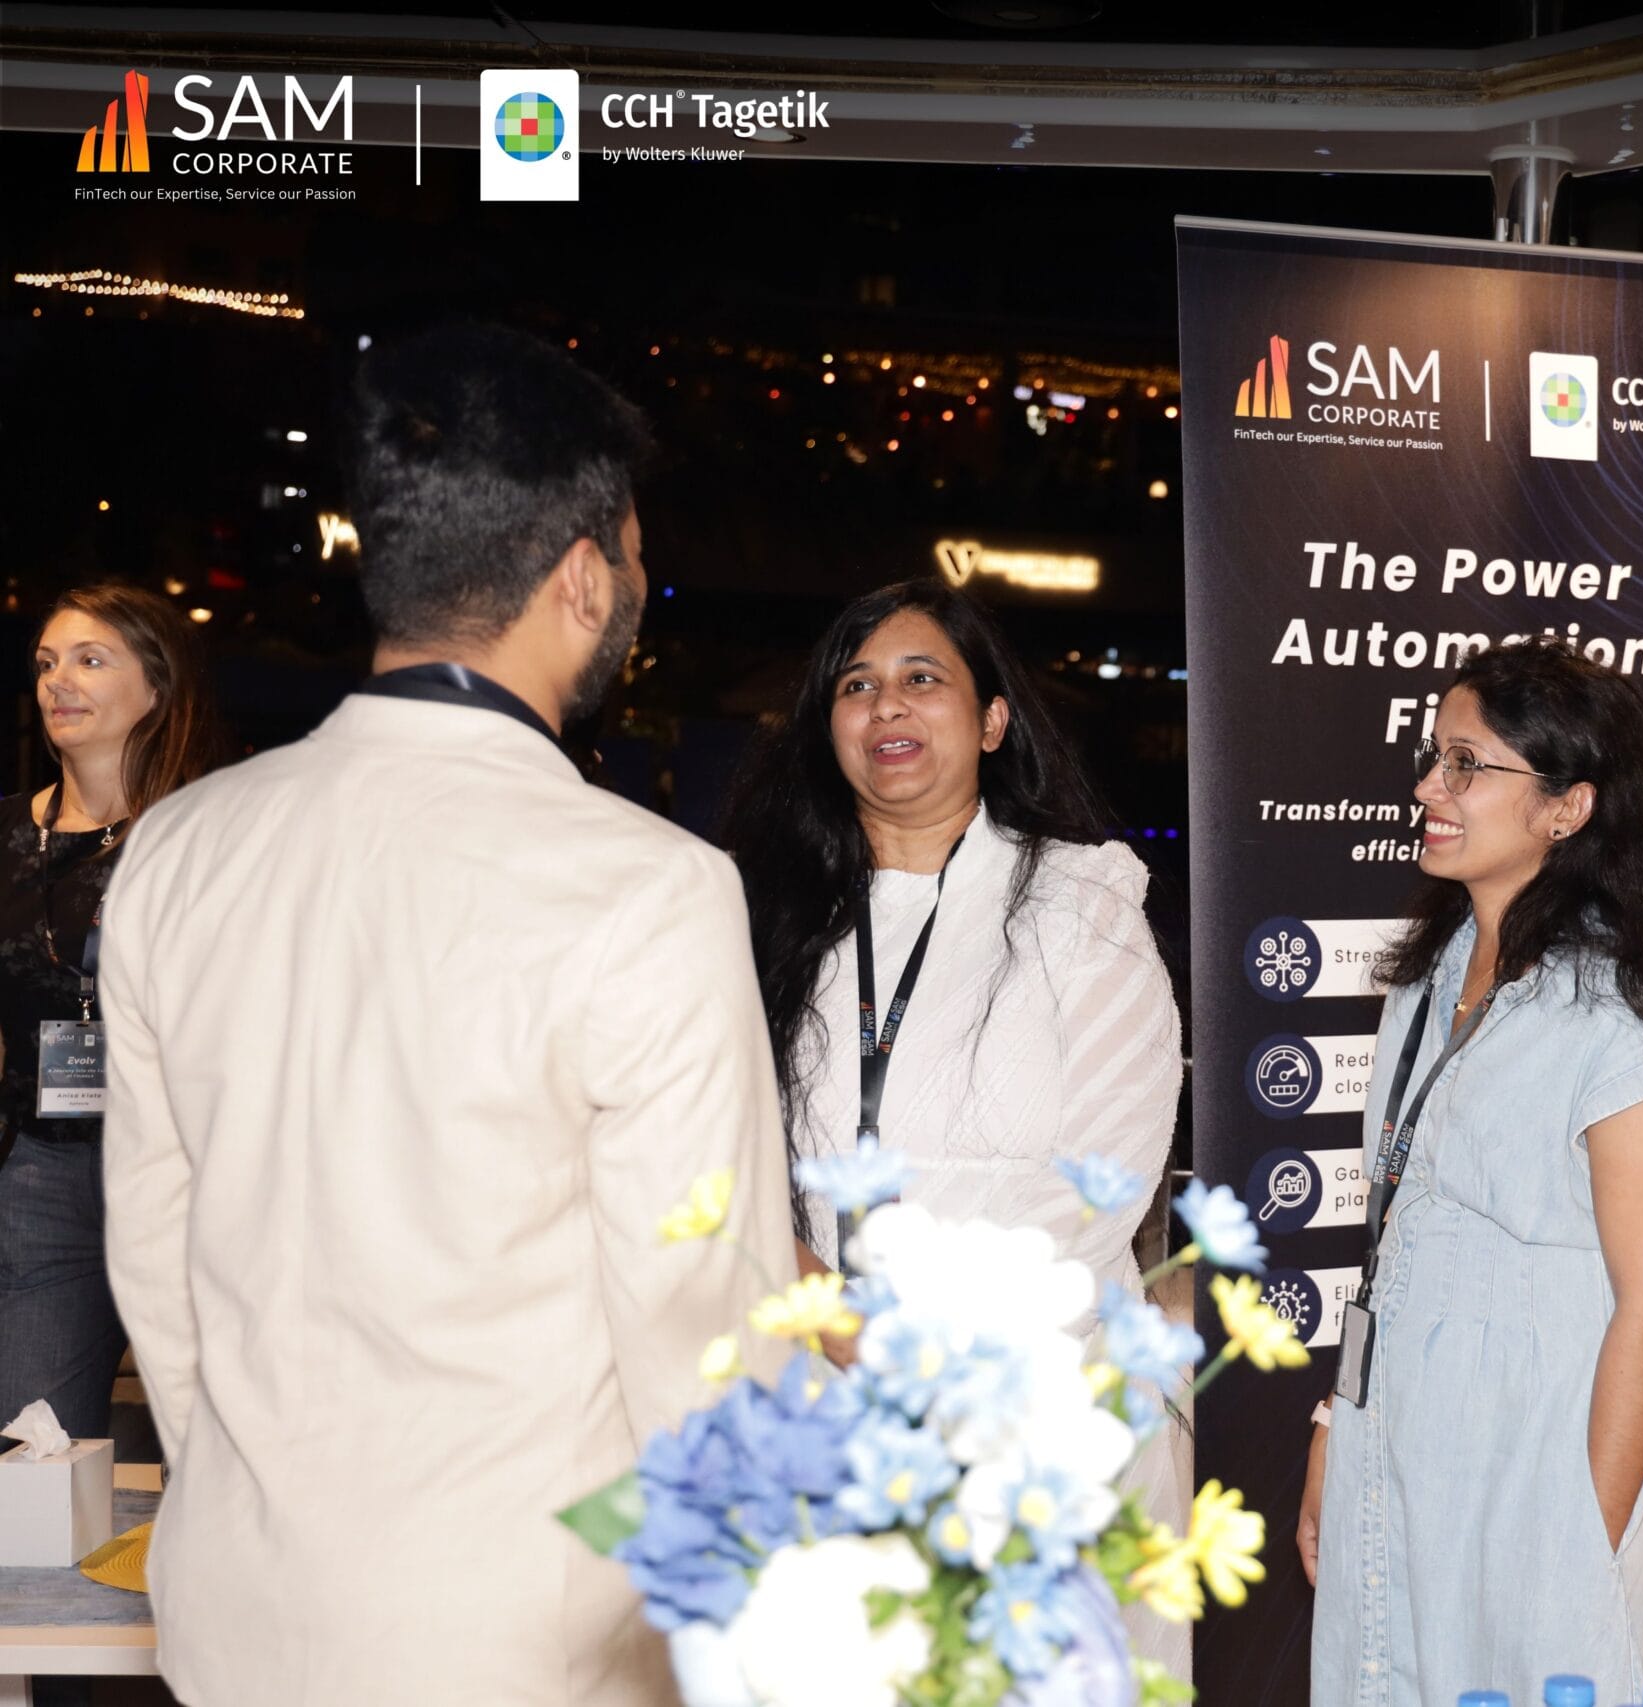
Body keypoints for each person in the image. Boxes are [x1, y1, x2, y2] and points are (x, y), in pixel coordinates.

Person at [100, 323, 794, 1707]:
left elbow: (159, 1262)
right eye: (639, 558)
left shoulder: (176, 847)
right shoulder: (650, 887)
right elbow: (704, 1324)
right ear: (585, 579)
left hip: (239, 1615)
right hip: (534, 1646)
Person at [720, 575, 1185, 1664]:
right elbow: (724, 1157)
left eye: (922, 679)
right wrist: (830, 1323)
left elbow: (1105, 1184)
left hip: (1043, 1413)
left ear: (989, 721)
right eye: (857, 684)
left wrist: (917, 1355)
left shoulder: (1081, 907)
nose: (886, 705)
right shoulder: (766, 922)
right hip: (827, 1410)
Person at [1303, 639, 1643, 1707]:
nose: (1428, 786)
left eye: (1466, 764)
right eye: (1433, 760)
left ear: (1567, 808)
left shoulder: (1618, 1012)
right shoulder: (1422, 983)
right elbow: (1391, 1240)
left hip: (1547, 1438)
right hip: (1400, 1420)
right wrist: (1340, 1428)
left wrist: (1586, 1537)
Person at [0, 585, 224, 1444]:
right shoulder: (8, 842)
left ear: (158, 688)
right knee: (31, 1456)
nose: (60, 681)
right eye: (48, 663)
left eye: (92, 660)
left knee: (213, 1462)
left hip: (190, 1171)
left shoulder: (210, 837)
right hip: (43, 1174)